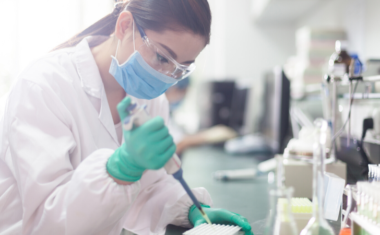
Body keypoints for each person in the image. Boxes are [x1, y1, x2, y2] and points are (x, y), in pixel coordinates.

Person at [0, 0, 252, 235]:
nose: (166, 77)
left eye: (180, 69)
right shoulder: (43, 86)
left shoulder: (150, 98)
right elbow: (48, 221)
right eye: (162, 58)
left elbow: (148, 189)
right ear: (125, 26)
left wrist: (190, 208)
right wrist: (118, 170)